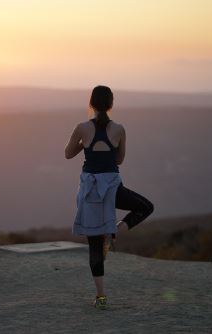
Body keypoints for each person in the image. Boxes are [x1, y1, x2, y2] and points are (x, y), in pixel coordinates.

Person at [64, 85, 154, 310]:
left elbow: (68, 153)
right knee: (145, 207)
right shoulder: (120, 129)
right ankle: (116, 230)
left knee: (94, 245)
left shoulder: (82, 127)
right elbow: (120, 160)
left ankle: (101, 297)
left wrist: (85, 143)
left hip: (90, 192)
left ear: (91, 103)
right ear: (111, 104)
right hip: (113, 189)